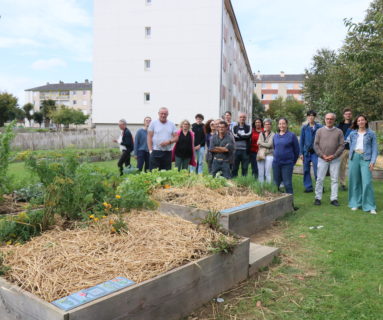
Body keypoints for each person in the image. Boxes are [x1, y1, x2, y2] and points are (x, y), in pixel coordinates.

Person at [347, 115, 378, 214]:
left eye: (362, 120)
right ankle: (355, 203)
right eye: (358, 120)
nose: (360, 122)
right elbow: (350, 144)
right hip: (354, 157)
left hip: (366, 158)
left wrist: (372, 161)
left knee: (367, 182)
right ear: (356, 123)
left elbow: (375, 149)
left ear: (366, 121)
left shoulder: (371, 133)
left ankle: (370, 206)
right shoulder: (352, 134)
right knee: (354, 181)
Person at [313, 113, 344, 206]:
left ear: (334, 120)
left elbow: (342, 145)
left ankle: (334, 199)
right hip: (322, 159)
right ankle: (317, 198)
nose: (329, 120)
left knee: (334, 179)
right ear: (324, 119)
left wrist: (334, 155)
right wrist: (322, 155)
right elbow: (315, 144)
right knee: (319, 179)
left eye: (331, 119)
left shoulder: (339, 132)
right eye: (327, 119)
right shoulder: (319, 131)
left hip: (335, 159)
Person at [272, 118, 300, 200]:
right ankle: (275, 203)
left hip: (287, 164)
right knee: (275, 184)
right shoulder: (275, 136)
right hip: (276, 163)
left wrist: (292, 162)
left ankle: (290, 205)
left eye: (283, 123)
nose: (281, 125)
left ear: (287, 125)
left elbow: (296, 150)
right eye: (280, 124)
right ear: (278, 125)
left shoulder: (292, 135)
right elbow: (275, 148)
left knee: (287, 184)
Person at [299, 110, 322, 193]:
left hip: (316, 153)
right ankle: (308, 187)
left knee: (317, 171)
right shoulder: (304, 128)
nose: (310, 117)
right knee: (306, 170)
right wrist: (301, 153)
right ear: (307, 117)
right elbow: (301, 141)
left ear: (314, 117)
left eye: (312, 115)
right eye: (309, 116)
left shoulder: (319, 127)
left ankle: (319, 187)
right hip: (306, 153)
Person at [337, 108, 353, 191]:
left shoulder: (355, 125)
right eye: (346, 114)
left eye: (349, 114)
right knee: (341, 167)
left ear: (351, 115)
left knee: (353, 167)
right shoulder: (340, 125)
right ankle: (342, 184)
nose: (348, 115)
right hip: (343, 149)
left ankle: (353, 184)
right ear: (344, 115)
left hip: (353, 149)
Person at [232, 113, 251, 177]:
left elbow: (248, 135)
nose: (242, 118)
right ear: (238, 118)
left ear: (245, 118)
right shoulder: (234, 127)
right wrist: (243, 137)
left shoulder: (249, 127)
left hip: (245, 151)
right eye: (240, 117)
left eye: (243, 117)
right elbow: (234, 136)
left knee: (245, 168)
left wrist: (239, 136)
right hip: (235, 150)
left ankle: (244, 183)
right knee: (234, 168)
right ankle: (234, 182)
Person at [257, 118, 275, 183]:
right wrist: (265, 144)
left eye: (269, 124)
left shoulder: (273, 134)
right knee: (260, 173)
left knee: (268, 173)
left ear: (271, 125)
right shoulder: (261, 133)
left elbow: (270, 145)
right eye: (266, 124)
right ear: (264, 125)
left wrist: (261, 143)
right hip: (261, 155)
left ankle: (268, 189)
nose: (267, 125)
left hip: (269, 155)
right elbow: (257, 143)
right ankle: (261, 188)